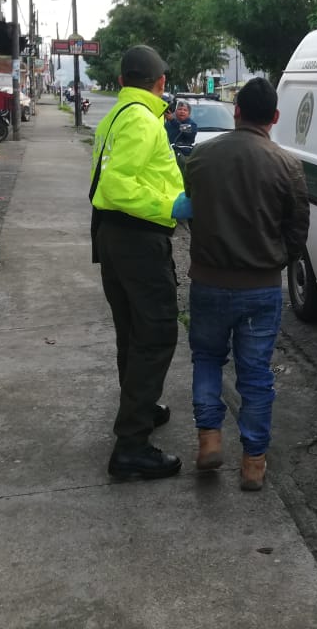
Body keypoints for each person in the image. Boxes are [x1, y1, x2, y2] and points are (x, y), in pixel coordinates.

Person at [182, 77, 310, 491]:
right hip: (260, 288)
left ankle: (209, 440)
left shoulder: (201, 156)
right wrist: (274, 261)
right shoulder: (287, 165)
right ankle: (253, 463)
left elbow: (191, 209)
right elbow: (297, 231)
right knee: (255, 375)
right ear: (275, 117)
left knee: (207, 359)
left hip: (208, 281)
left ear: (236, 111)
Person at [89, 45, 192, 481]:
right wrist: (172, 205)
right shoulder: (142, 120)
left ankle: (141, 407)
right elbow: (116, 186)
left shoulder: (115, 116)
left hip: (114, 236)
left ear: (121, 80)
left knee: (132, 331)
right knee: (156, 333)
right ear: (161, 82)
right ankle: (131, 445)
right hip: (137, 238)